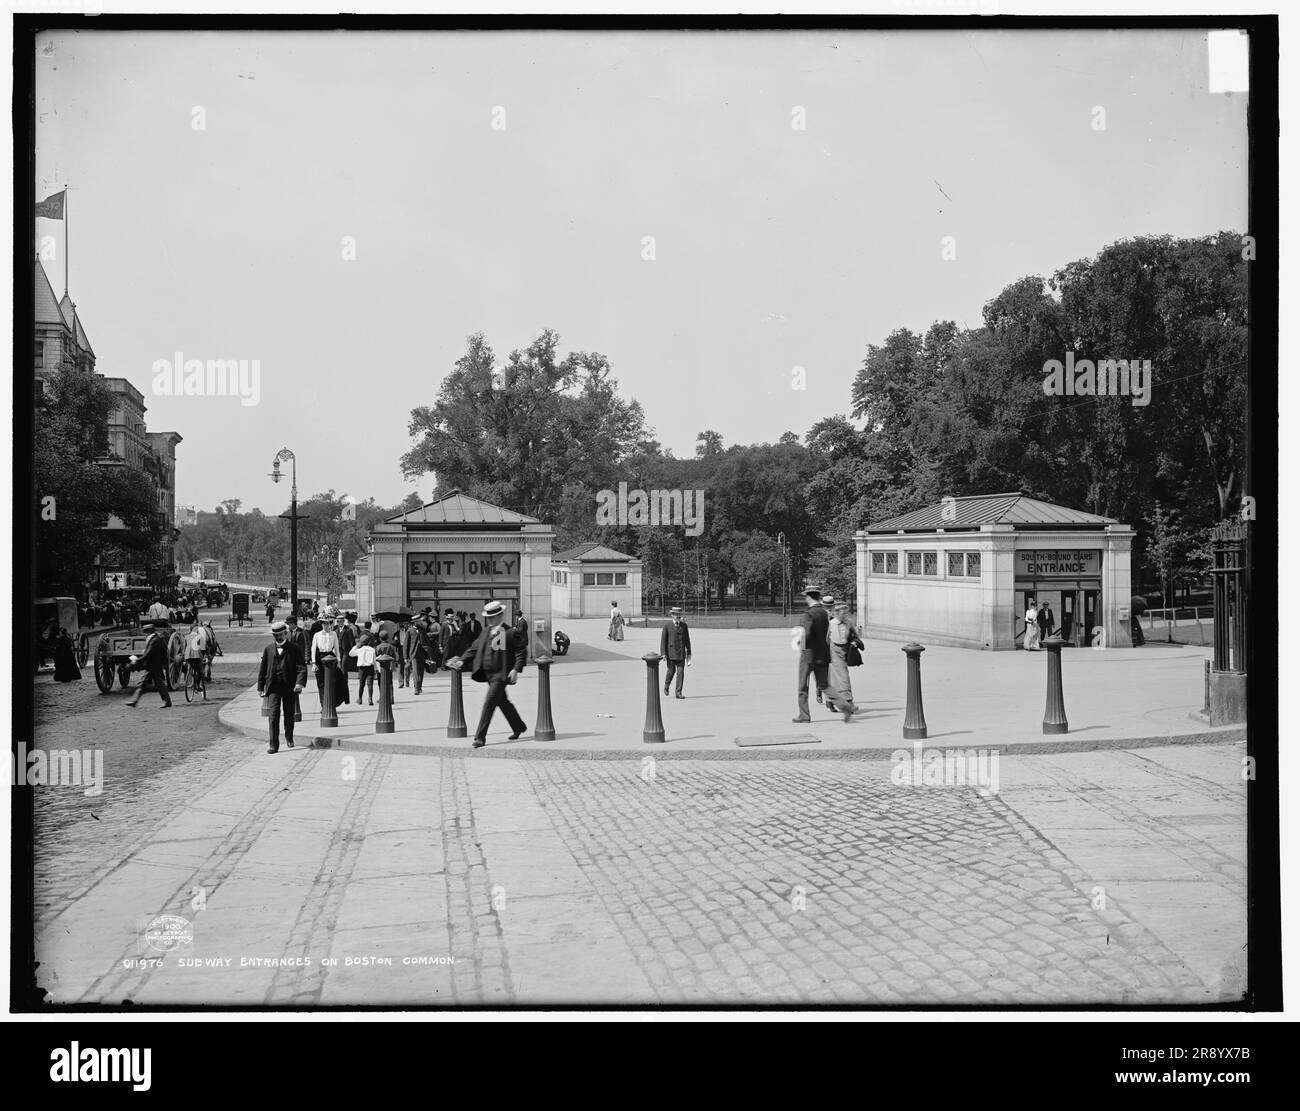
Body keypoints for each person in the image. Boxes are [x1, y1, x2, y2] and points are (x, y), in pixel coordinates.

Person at [448, 601, 528, 749]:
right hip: (488, 675)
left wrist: (516, 669)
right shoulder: (485, 632)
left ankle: (480, 738)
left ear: (500, 616)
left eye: (492, 617)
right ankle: (519, 726)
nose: (490, 620)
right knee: (503, 702)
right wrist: (462, 661)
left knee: (489, 703)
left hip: (500, 675)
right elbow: (474, 648)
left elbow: (521, 651)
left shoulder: (509, 632)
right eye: (488, 618)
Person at [257, 620, 306, 754]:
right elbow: (263, 670)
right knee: (273, 715)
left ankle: (289, 737)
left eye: (280, 635)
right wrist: (260, 687)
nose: (278, 638)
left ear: (285, 633)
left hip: (289, 686)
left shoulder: (294, 648)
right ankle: (273, 744)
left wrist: (299, 683)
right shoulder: (268, 649)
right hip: (274, 687)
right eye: (275, 635)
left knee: (289, 713)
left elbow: (301, 667)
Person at [793, 587, 831, 723]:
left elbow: (807, 633)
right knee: (824, 685)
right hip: (822, 653)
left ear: (808, 597)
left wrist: (799, 642)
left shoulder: (808, 614)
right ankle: (844, 706)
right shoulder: (823, 612)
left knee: (803, 685)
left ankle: (804, 715)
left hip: (809, 654)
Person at [825, 600, 862, 722]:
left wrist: (855, 642)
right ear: (836, 613)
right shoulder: (831, 624)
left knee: (837, 678)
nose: (845, 615)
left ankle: (830, 700)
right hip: (834, 650)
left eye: (846, 613)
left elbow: (854, 636)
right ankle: (849, 703)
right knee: (844, 677)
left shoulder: (849, 623)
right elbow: (825, 640)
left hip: (846, 650)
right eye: (842, 613)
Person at [126, 620, 173, 708]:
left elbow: (148, 654)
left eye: (145, 632)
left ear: (148, 631)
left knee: (158, 684)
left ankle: (167, 702)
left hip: (154, 665)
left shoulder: (154, 640)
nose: (144, 633)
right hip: (152, 665)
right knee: (143, 683)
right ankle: (135, 701)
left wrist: (137, 661)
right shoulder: (154, 638)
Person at [311, 614, 346, 708]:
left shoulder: (333, 634)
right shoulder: (317, 635)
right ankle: (323, 705)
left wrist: (338, 661)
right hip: (320, 657)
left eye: (328, 623)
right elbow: (313, 649)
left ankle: (332, 703)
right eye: (324, 624)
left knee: (334, 681)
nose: (326, 626)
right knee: (321, 683)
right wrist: (314, 663)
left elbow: (337, 649)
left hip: (330, 656)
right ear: (321, 624)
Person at [660, 606, 692, 699]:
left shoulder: (684, 626)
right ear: (672, 615)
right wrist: (663, 654)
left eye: (679, 615)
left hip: (681, 653)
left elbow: (687, 640)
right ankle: (666, 685)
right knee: (671, 671)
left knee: (680, 672)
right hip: (670, 653)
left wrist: (689, 653)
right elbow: (663, 641)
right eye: (676, 615)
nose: (678, 617)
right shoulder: (667, 626)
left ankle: (678, 692)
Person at [351, 627, 377, 705]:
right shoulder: (372, 650)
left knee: (361, 685)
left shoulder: (359, 650)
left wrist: (356, 646)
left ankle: (360, 699)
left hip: (362, 669)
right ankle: (370, 699)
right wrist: (376, 669)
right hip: (370, 668)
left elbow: (350, 653)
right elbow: (374, 660)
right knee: (370, 685)